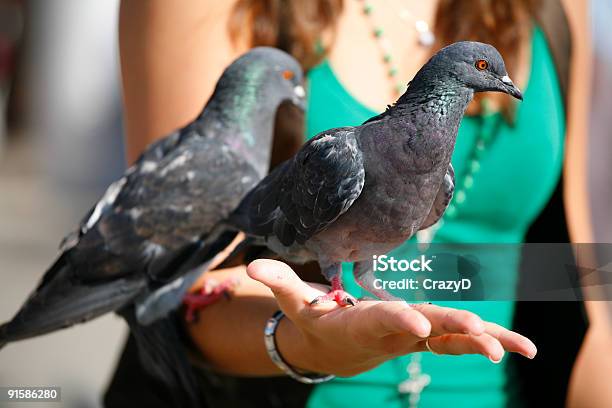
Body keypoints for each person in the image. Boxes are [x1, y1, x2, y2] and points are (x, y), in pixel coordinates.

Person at [107, 1, 606, 407]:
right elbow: (181, 283)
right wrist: (307, 340)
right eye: (484, 69)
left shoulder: (557, 9)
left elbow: (572, 282)